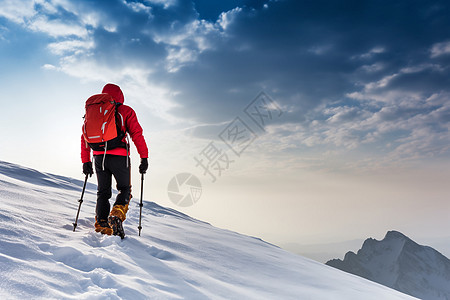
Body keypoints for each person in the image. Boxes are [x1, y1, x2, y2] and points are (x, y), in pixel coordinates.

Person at [81, 83, 148, 236]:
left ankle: (102, 224)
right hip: (120, 157)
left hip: (99, 157)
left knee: (102, 192)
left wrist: (86, 161)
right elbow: (137, 134)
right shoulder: (126, 111)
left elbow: (83, 138)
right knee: (124, 189)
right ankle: (117, 214)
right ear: (120, 96)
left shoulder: (94, 112)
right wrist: (144, 157)